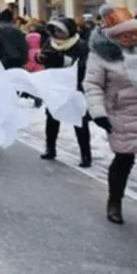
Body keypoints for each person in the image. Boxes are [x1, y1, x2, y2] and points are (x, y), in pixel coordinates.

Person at [83, 5, 137, 224]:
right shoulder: (101, 56)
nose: (131, 37)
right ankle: (114, 201)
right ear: (115, 35)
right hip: (120, 113)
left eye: (134, 33)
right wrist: (99, 113)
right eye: (125, 34)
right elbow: (93, 85)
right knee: (124, 158)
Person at [38, 17, 92, 167]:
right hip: (54, 86)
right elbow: (42, 56)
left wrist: (64, 60)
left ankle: (86, 155)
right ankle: (50, 148)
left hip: (74, 87)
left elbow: (84, 64)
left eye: (60, 30)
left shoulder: (80, 45)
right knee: (52, 118)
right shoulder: (50, 43)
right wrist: (40, 58)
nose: (57, 33)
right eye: (55, 30)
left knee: (79, 121)